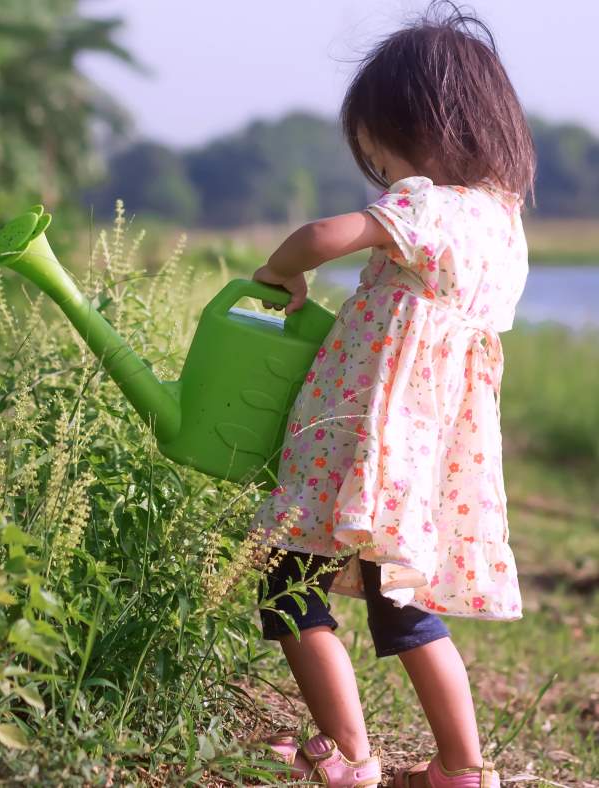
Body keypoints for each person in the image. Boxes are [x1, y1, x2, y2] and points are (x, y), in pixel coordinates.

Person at [246, 4, 533, 786]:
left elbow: (321, 236)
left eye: (377, 145)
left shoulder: (428, 206)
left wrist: (282, 271)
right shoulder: (502, 224)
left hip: (358, 448)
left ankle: (346, 756)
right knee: (404, 607)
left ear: (423, 127)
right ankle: (462, 768)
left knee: (288, 586)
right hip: (419, 469)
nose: (380, 167)